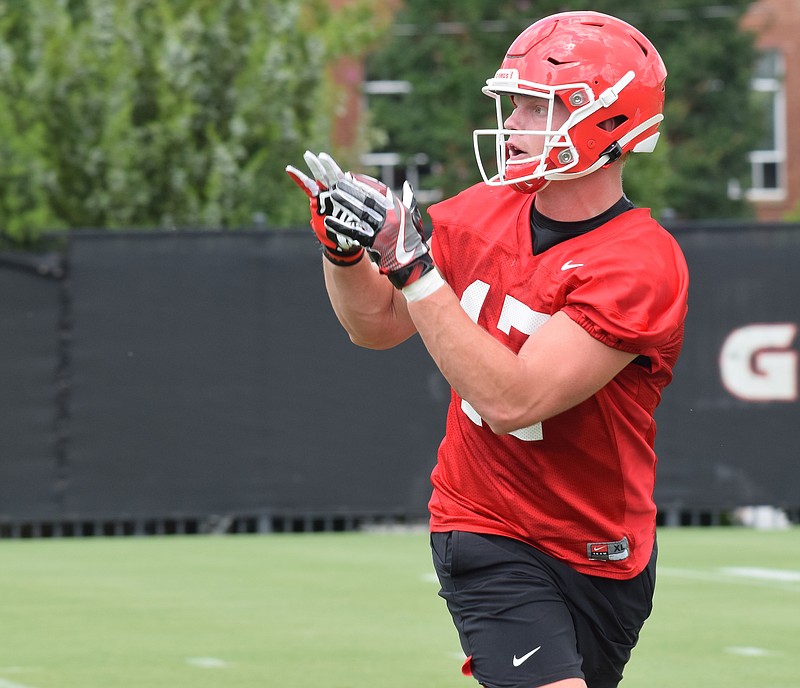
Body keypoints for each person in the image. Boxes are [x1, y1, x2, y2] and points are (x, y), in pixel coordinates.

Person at [286, 10, 688, 688]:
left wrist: (410, 263)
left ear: (610, 120)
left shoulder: (640, 262)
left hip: (602, 546)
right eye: (517, 105)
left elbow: (515, 396)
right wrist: (343, 251)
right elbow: (376, 325)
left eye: (538, 105)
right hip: (486, 523)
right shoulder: (480, 209)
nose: (515, 123)